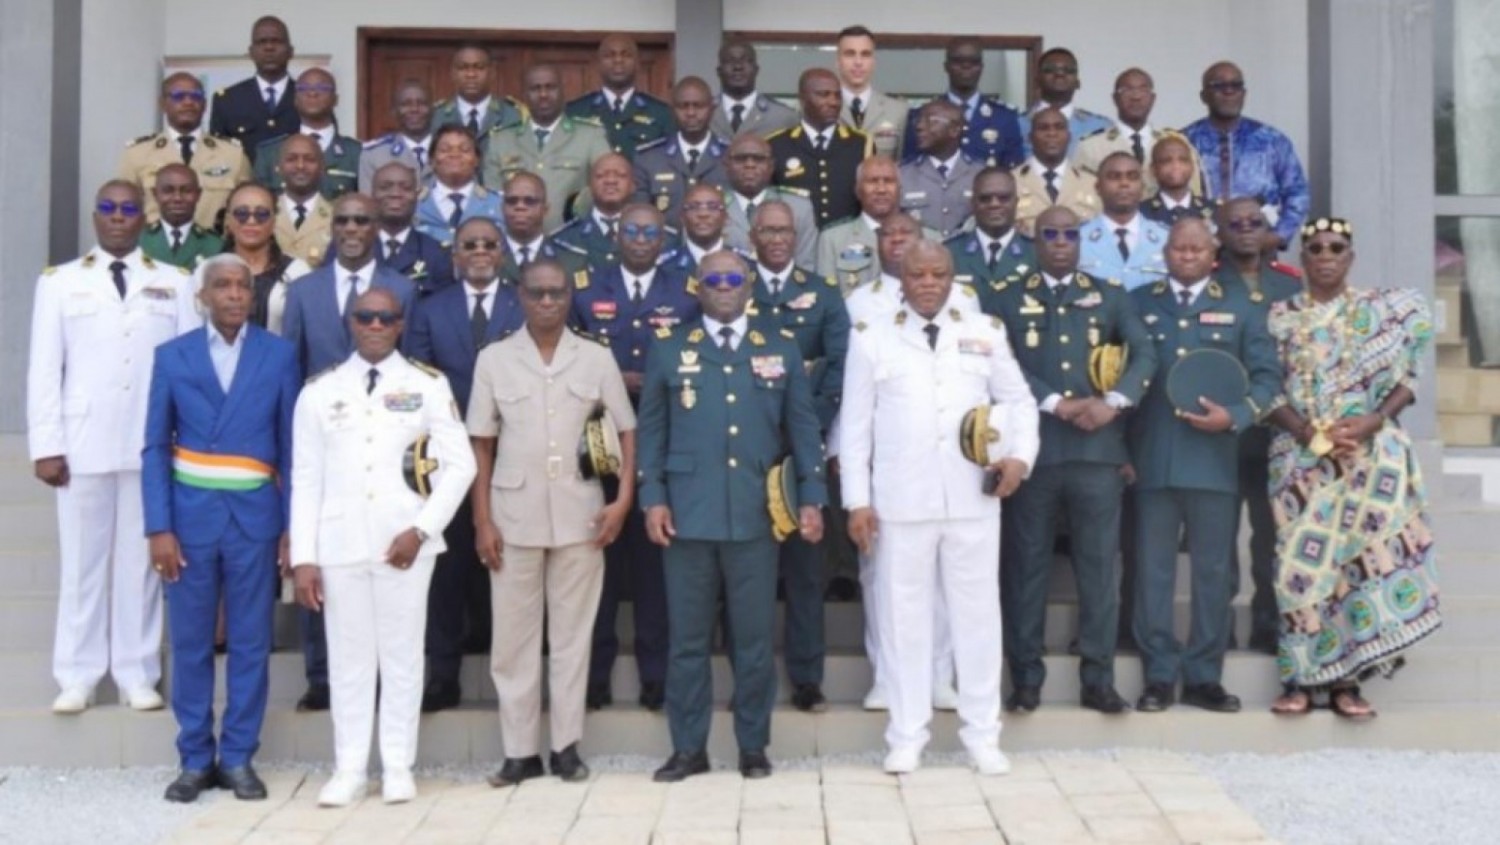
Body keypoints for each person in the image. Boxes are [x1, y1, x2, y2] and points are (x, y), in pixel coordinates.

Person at [841, 239, 1038, 775]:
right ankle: (906, 736)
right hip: (901, 503)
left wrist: (1019, 459)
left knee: (977, 620)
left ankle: (982, 736)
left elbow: (1018, 401)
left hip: (973, 498)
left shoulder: (984, 332)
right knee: (904, 622)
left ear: (953, 277)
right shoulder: (871, 338)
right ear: (900, 279)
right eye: (918, 274)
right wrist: (857, 501)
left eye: (939, 273)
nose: (928, 282)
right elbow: (855, 428)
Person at [637, 250, 826, 782]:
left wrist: (811, 497)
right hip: (688, 516)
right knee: (689, 640)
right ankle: (689, 748)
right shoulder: (671, 349)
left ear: (749, 288)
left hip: (755, 517)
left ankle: (752, 746)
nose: (723, 286)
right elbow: (651, 431)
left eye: (733, 278)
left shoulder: (780, 348)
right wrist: (653, 498)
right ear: (698, 286)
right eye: (713, 278)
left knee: (754, 639)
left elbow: (804, 431)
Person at [290, 287, 476, 807]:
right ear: (352, 322)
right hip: (341, 541)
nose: (375, 324)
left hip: (405, 543)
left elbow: (461, 466)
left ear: (399, 324)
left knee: (400, 657)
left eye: (385, 318)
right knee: (348, 660)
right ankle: (348, 768)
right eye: (365, 316)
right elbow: (306, 477)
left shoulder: (425, 385)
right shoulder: (320, 391)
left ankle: (397, 765)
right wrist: (304, 556)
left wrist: (421, 530)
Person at [27, 180, 199, 714]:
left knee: (142, 564)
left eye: (128, 209)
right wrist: (46, 444)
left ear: (143, 218)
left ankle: (136, 672)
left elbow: (188, 368)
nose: (119, 217)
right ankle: (77, 674)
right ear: (95, 217)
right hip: (82, 443)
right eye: (109, 208)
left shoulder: (174, 282)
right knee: (82, 562)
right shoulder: (60, 283)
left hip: (151, 444)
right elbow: (43, 368)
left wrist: (184, 444)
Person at [1264, 217, 1441, 719]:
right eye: (1315, 247)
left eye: (1335, 248)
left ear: (1350, 257)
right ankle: (1298, 679)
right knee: (1300, 568)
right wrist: (1307, 433)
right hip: (1300, 460)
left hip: (1366, 458)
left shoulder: (1386, 311)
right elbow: (1263, 386)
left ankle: (1347, 684)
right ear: (1302, 258)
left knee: (1354, 568)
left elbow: (1410, 377)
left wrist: (1373, 420)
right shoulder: (1279, 316)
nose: (1325, 255)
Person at [469, 258, 637, 787]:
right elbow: (481, 443)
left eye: (556, 293)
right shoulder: (495, 359)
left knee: (572, 637)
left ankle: (566, 747)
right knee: (513, 642)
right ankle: (519, 752)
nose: (547, 302)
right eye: (537, 293)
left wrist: (623, 500)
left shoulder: (594, 357)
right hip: (512, 516)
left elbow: (627, 431)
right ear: (520, 296)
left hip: (581, 514)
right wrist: (481, 521)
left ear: (570, 297)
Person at [143, 254, 300, 803]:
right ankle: (193, 758)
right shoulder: (172, 356)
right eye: (223, 286)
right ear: (202, 296)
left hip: (255, 519)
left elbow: (290, 447)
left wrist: (290, 528)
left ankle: (237, 758)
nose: (235, 295)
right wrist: (158, 525)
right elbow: (155, 446)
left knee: (251, 642)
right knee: (188, 643)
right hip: (187, 523)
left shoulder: (279, 356)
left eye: (243, 286)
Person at [990, 205, 1156, 715]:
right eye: (1050, 234)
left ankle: (1099, 681)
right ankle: (1025, 681)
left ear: (1081, 240)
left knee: (1098, 571)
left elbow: (1145, 353)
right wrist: (1054, 403)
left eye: (1069, 234)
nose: (1061, 242)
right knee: (1025, 571)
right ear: (1033, 240)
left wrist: (1114, 403)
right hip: (1033, 454)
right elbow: (1003, 365)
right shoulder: (1009, 298)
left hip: (1097, 454)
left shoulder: (1109, 295)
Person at [1127, 219, 1280, 714]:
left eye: (1197, 248)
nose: (1187, 256)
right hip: (1151, 459)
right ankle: (1158, 674)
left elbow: (1267, 381)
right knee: (1152, 573)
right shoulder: (1138, 301)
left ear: (1213, 253)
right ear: (1166, 253)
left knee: (1214, 573)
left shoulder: (1243, 307)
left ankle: (1204, 675)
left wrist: (1235, 417)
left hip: (1216, 462)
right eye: (1178, 248)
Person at [840, 212, 973, 710]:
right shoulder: (860, 302)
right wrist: (847, 459)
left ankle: (939, 674)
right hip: (886, 455)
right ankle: (888, 675)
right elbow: (852, 391)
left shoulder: (965, 304)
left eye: (907, 236)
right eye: (888, 235)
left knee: (940, 575)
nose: (897, 243)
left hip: (947, 461)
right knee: (881, 574)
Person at [570, 203, 699, 711]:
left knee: (654, 566)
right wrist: (611, 381)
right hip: (597, 437)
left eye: (650, 231)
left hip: (661, 437)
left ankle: (656, 678)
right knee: (596, 559)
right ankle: (595, 677)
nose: (641, 239)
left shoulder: (686, 293)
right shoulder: (585, 287)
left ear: (664, 237)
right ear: (616, 235)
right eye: (631, 231)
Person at [404, 216, 523, 711]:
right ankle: (444, 675)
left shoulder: (524, 302)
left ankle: (510, 674)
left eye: (488, 244)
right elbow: (420, 377)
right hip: (448, 453)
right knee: (448, 568)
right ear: (455, 254)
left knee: (511, 562)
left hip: (516, 448)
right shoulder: (430, 308)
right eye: (469, 245)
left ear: (502, 252)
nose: (479, 251)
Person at [744, 201, 850, 712]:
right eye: (767, 230)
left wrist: (804, 421)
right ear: (752, 234)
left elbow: (838, 367)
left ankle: (808, 679)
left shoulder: (824, 294)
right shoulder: (731, 290)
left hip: (802, 450)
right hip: (747, 451)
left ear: (797, 234)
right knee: (749, 570)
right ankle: (749, 674)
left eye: (785, 230)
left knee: (806, 571)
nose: (777, 239)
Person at [1216, 198, 1302, 653]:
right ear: (1221, 233)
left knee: (1273, 535)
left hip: (1278, 430)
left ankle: (1269, 623)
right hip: (1224, 430)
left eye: (1255, 223)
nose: (1247, 230)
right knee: (1220, 536)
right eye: (1236, 224)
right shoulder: (1208, 283)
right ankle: (1220, 624)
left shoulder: (1288, 284)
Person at [1182, 62, 1310, 251]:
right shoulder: (1185, 141)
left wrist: (1277, 236)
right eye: (1219, 86)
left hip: (1259, 250)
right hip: (1200, 250)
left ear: (1244, 94)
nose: (1229, 91)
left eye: (1236, 86)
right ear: (1204, 96)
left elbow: (1298, 194)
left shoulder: (1271, 140)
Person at [118, 72, 251, 231]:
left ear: (205, 104)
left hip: (214, 251)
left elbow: (248, 209)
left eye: (196, 96)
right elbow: (125, 211)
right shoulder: (137, 154)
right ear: (162, 104)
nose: (188, 102)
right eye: (178, 96)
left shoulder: (233, 155)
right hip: (156, 251)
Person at [485, 64, 612, 232]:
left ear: (562, 91)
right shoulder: (501, 140)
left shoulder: (591, 136)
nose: (543, 94)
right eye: (535, 89)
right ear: (524, 94)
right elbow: (492, 200)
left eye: (550, 87)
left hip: (573, 244)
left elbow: (607, 190)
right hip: (516, 245)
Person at [1075, 68, 1201, 198]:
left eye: (1143, 90)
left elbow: (1193, 196)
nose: (1136, 97)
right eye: (1127, 90)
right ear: (1115, 98)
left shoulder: (1178, 145)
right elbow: (1085, 199)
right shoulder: (1091, 147)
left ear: (1153, 98)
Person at [770, 68, 871, 229]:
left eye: (837, 95)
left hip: (847, 244)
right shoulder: (776, 145)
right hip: (797, 243)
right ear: (802, 99)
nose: (833, 102)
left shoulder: (861, 144)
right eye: (823, 95)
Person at [902, 38, 1024, 170]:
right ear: (946, 66)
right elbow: (910, 167)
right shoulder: (920, 115)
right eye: (958, 61)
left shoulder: (1004, 118)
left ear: (981, 67)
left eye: (974, 62)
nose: (966, 67)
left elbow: (1014, 171)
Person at [816, 156, 927, 293]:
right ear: (858, 190)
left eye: (888, 181)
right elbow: (826, 299)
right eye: (872, 181)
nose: (881, 189)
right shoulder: (832, 240)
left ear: (900, 189)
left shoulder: (928, 237)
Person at [212, 182, 310, 336]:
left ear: (274, 221)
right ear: (229, 219)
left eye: (262, 214)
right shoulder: (207, 271)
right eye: (242, 213)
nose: (251, 221)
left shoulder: (297, 272)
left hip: (278, 358)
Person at [632, 77, 730, 224]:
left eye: (698, 106)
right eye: (683, 106)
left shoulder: (731, 157)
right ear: (672, 110)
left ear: (712, 108)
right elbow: (640, 216)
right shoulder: (648, 159)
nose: (691, 113)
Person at [252, 68, 361, 200]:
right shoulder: (270, 152)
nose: (312, 93)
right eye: (303, 88)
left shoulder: (357, 153)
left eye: (322, 87)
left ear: (335, 99)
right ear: (295, 99)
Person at [565, 34, 675, 157]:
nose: (618, 60)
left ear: (638, 64)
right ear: (598, 64)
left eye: (626, 55)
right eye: (609, 55)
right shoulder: (575, 112)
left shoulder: (662, 113)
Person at [948, 167, 1037, 316]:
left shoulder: (1037, 254)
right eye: (985, 198)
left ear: (1016, 202)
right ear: (972, 203)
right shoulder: (949, 253)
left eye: (1004, 198)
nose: (994, 204)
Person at [209, 16, 300, 161]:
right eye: (261, 42)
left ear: (291, 51)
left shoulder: (309, 96)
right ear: (251, 52)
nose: (269, 47)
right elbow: (217, 157)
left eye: (276, 41)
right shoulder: (227, 100)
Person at [723, 133, 817, 269]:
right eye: (740, 159)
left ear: (771, 166)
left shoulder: (799, 207)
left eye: (759, 159)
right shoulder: (712, 208)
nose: (750, 165)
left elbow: (805, 264)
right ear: (726, 165)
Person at [1078, 152, 1169, 290]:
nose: (1124, 183)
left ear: (1142, 187)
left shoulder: (1167, 238)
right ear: (1098, 187)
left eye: (1132, 177)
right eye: (1114, 177)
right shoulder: (1078, 238)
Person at [899, 99, 984, 239]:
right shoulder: (903, 174)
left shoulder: (980, 174)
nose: (920, 126)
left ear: (954, 130)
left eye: (930, 121)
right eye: (919, 120)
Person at [369, 162, 454, 296]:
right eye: (385, 187)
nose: (395, 194)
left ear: (416, 195)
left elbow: (443, 309)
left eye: (405, 188)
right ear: (372, 194)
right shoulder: (350, 247)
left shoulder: (436, 253)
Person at [1013, 108, 1099, 236]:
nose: (1052, 133)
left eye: (1059, 127)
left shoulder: (1093, 184)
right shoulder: (1011, 181)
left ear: (1069, 136)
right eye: (1043, 128)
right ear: (1030, 138)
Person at [414, 124, 503, 245]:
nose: (455, 155)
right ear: (431, 160)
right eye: (445, 150)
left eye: (465, 150)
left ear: (477, 160)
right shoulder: (413, 204)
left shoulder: (498, 204)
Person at [429, 42, 525, 153]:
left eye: (479, 67)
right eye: (463, 68)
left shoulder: (513, 115)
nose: (471, 74)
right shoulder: (435, 116)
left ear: (492, 73)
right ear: (453, 73)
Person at [1018, 48, 1111, 159]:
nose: (1060, 74)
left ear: (1078, 83)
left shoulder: (1101, 126)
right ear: (1036, 81)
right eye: (1050, 69)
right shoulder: (1016, 124)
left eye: (1069, 70)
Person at [551, 154, 638, 270]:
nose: (610, 180)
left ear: (633, 185)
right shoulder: (562, 240)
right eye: (601, 176)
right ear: (589, 185)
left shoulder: (656, 237)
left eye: (620, 175)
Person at [497, 171, 585, 282]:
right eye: (512, 201)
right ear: (502, 208)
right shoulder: (486, 256)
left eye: (530, 201)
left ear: (545, 209)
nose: (520, 206)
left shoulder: (571, 261)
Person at [834, 26, 906, 160]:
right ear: (838, 61)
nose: (858, 62)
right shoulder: (823, 108)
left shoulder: (898, 110)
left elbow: (901, 166)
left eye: (865, 54)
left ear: (874, 61)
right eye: (850, 54)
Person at [711, 39, 798, 140]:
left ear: (756, 69)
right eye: (730, 61)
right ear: (719, 71)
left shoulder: (783, 117)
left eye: (746, 60)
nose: (738, 66)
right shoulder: (704, 113)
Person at [139, 164, 222, 270]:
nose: (177, 198)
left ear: (198, 194)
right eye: (168, 190)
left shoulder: (215, 245)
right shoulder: (138, 241)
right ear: (155, 194)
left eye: (186, 190)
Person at [360, 80, 435, 192]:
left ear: (433, 109)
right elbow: (369, 205)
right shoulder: (373, 155)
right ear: (394, 111)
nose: (414, 109)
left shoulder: (452, 150)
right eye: (406, 104)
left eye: (422, 103)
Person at [272, 134, 334, 266]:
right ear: (279, 166)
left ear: (322, 167)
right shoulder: (264, 215)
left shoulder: (336, 217)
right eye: (291, 159)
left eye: (310, 159)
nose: (300, 166)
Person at [1138, 135, 1214, 227]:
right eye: (1166, 161)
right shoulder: (1140, 213)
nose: (1176, 166)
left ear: (1192, 166)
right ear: (1153, 169)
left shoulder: (1214, 210)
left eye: (1183, 160)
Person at [667, 183, 734, 266]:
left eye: (712, 207)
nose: (703, 214)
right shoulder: (663, 267)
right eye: (693, 207)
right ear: (682, 218)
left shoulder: (745, 264)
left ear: (726, 217)